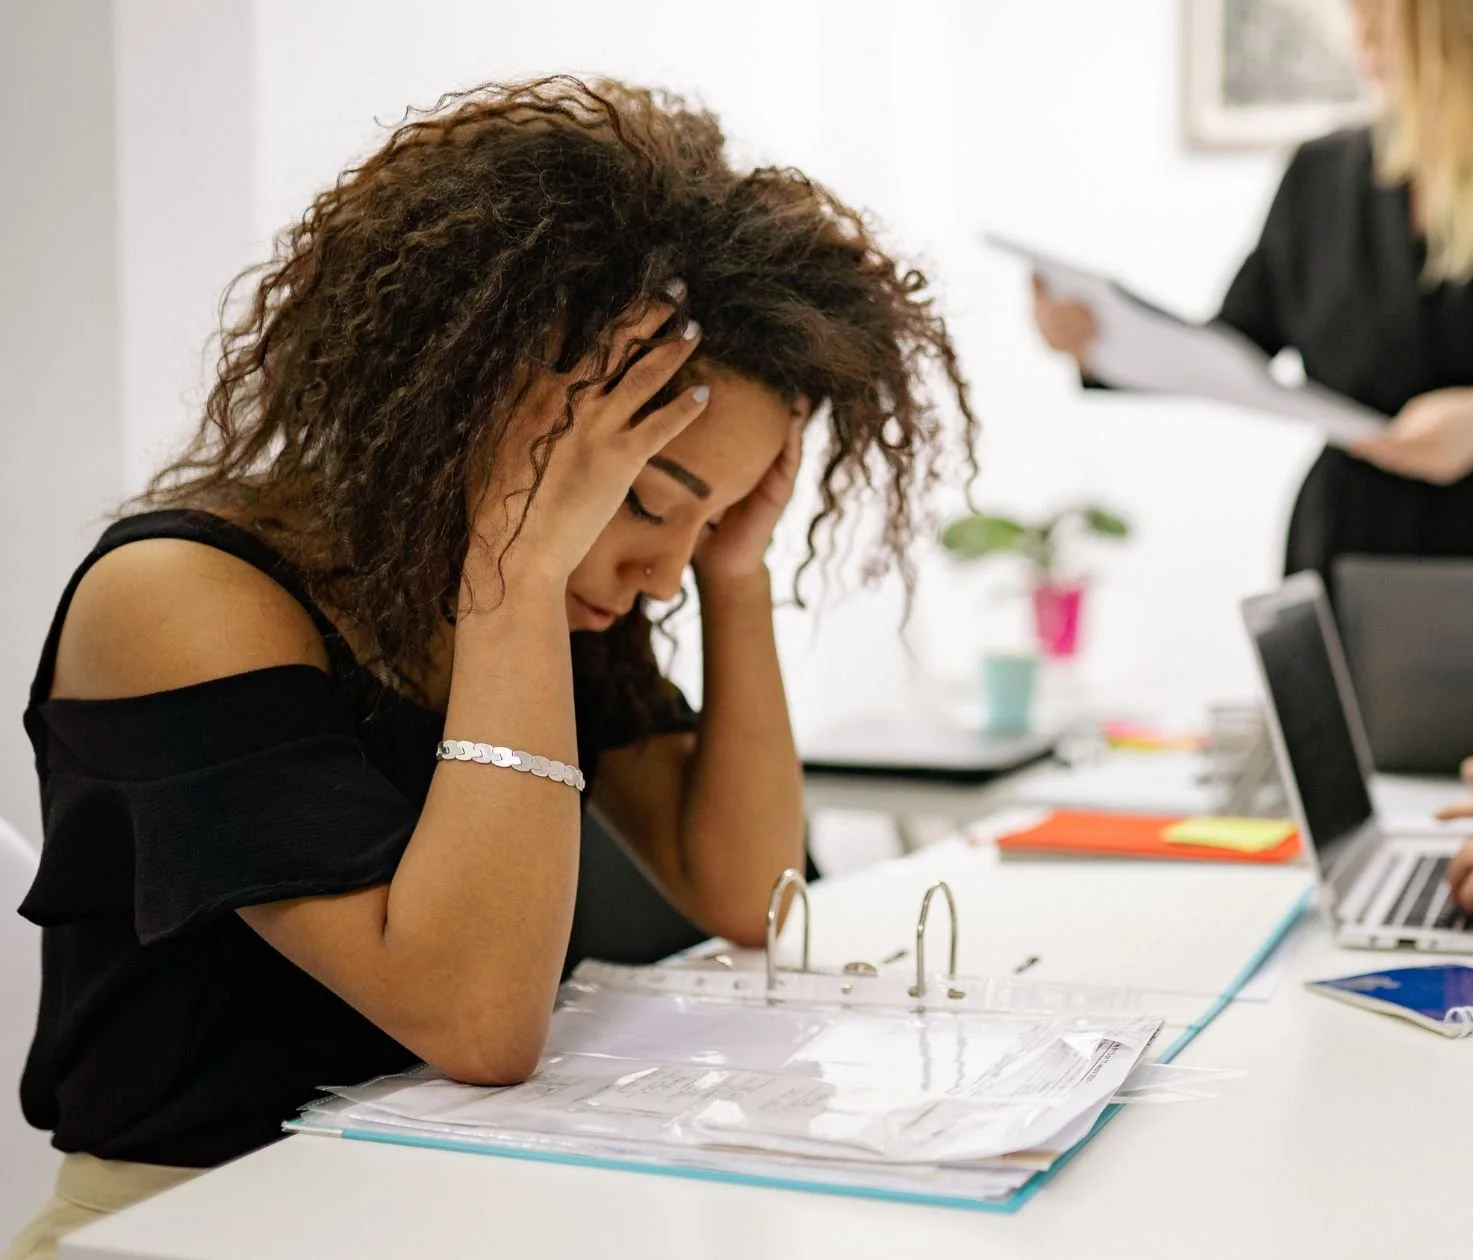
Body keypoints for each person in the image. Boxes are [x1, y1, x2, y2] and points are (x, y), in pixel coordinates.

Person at [6, 77, 972, 1259]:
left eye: (707, 520)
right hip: (194, 1225)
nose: (660, 572)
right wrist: (515, 567)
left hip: (455, 1204)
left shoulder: (563, 606)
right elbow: (477, 1020)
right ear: (490, 411)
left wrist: (736, 573)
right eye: (646, 499)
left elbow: (744, 892)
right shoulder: (181, 600)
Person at [1031, 0, 1473, 591]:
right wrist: (1100, 342)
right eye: (1356, 16)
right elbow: (1232, 349)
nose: (1361, 39)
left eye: (1383, 18)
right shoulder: (1318, 178)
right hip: (1349, 548)